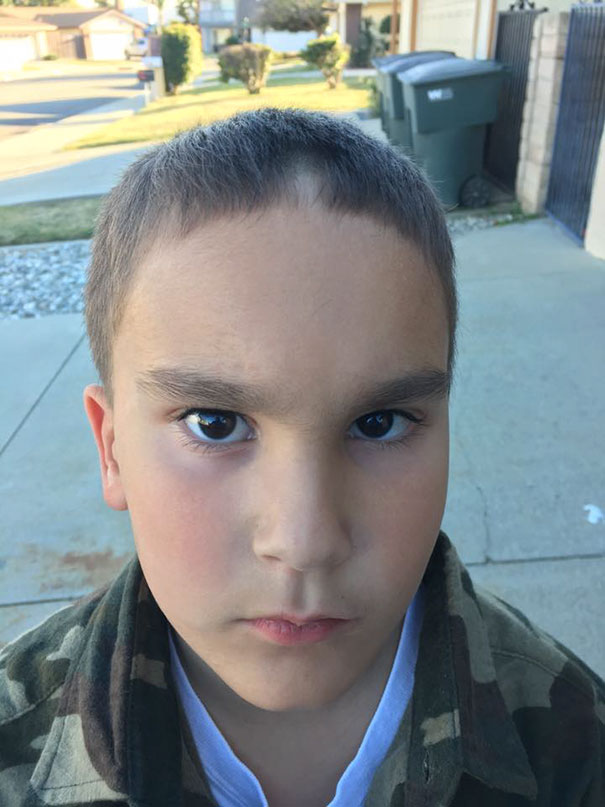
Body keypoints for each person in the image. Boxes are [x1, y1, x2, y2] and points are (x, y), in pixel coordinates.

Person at [0, 107, 603, 806]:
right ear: (111, 448)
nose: (304, 541)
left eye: (377, 423)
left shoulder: (573, 746)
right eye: (216, 423)